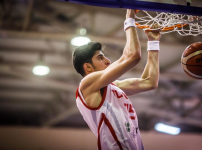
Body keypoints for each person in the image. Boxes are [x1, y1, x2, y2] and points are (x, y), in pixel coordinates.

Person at [72, 9, 161, 150]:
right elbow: (133, 56)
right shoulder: (86, 84)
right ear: (88, 67)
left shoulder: (113, 86)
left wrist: (153, 43)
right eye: (100, 58)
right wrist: (129, 18)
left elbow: (150, 82)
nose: (108, 61)